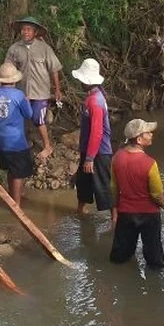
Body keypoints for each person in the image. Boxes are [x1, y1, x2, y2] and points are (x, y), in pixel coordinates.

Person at [109, 119, 164, 268]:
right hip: (149, 215)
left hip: (125, 213)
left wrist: (115, 209)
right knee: (154, 258)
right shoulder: (150, 163)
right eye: (148, 133)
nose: (151, 135)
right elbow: (156, 194)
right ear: (139, 139)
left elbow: (113, 188)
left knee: (120, 256)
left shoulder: (116, 158)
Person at [4, 17, 64, 162]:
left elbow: (54, 69)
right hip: (21, 90)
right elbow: (7, 69)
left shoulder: (45, 49)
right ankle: (25, 142)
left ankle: (47, 146)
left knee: (38, 117)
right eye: (24, 29)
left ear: (35, 32)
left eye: (29, 29)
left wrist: (57, 89)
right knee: (21, 117)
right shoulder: (14, 49)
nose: (25, 32)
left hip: (40, 91)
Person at [0, 62, 34, 205]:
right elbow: (29, 114)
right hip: (16, 140)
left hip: (1, 139)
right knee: (18, 173)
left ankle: (11, 197)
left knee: (10, 169)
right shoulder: (19, 95)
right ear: (14, 80)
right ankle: (16, 205)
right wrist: (27, 102)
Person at [73, 58, 113, 216]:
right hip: (89, 149)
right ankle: (80, 211)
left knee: (104, 186)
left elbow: (97, 132)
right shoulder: (93, 97)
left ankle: (114, 219)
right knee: (83, 182)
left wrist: (90, 158)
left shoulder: (96, 101)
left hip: (99, 151)